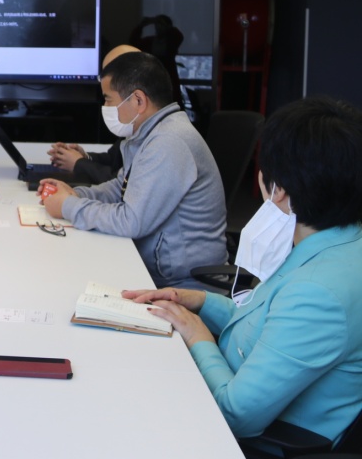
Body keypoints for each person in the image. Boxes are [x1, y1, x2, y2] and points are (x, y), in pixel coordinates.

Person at [124, 97, 362, 448]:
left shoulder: (318, 291)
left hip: (255, 440)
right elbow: (266, 320)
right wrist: (200, 301)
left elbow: (236, 415)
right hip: (240, 375)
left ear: (278, 189)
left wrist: (197, 336)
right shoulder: (335, 245)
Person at [40, 52, 227, 288]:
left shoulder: (169, 141)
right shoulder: (151, 134)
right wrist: (76, 194)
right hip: (160, 273)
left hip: (185, 285)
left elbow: (131, 221)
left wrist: (68, 206)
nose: (105, 107)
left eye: (108, 100)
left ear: (138, 100)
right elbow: (123, 187)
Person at [46, 44, 140, 184]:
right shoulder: (132, 125)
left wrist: (78, 163)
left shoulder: (157, 136)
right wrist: (84, 157)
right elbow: (112, 159)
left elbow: (123, 183)